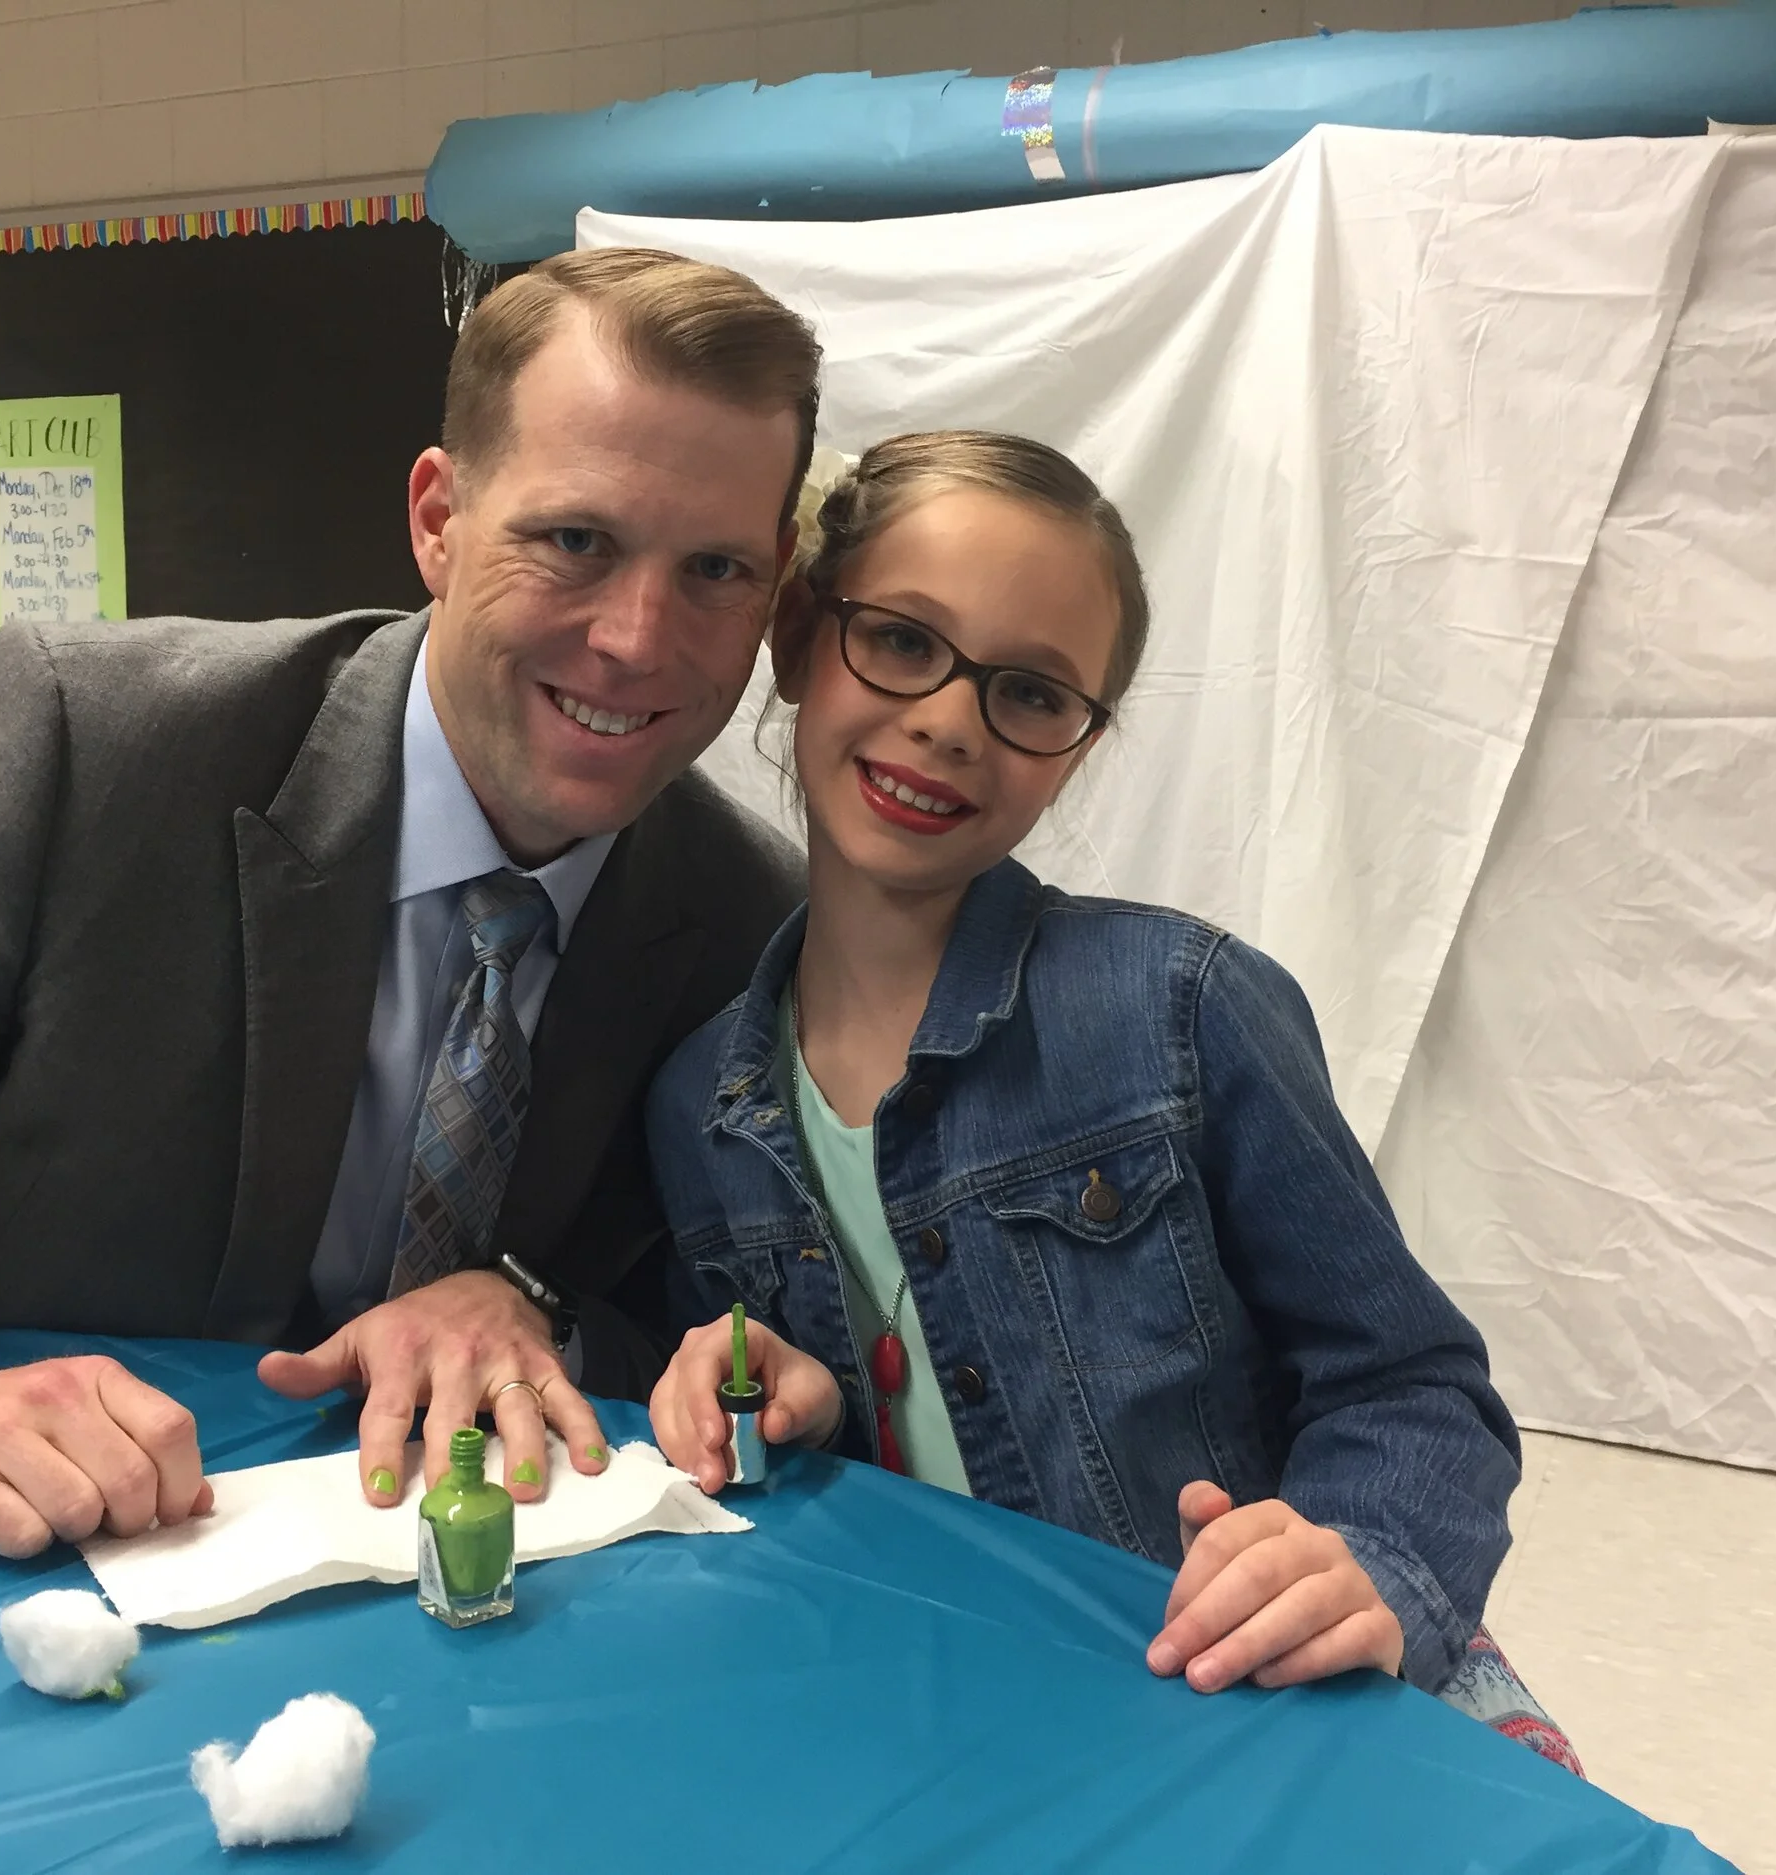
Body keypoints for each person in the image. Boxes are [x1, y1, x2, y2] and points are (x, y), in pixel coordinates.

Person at [0, 249, 816, 1562]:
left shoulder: (750, 923)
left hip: (453, 1584)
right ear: (437, 519)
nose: (638, 639)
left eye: (715, 570)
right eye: (575, 541)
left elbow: (698, 1308)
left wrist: (530, 1304)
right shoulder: (92, 751)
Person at [642, 432, 1578, 1768]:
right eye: (901, 641)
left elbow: (1411, 1381)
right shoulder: (697, 1105)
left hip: (1240, 1698)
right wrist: (776, 1400)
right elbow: (825, 1457)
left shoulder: (1183, 1009)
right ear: (796, 639)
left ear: (1075, 748)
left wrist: (1366, 1558)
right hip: (940, 1709)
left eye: (1030, 692)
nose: (950, 720)